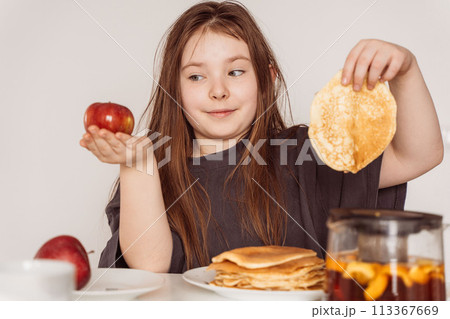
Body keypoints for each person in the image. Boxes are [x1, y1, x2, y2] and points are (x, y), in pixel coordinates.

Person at [79, 1, 443, 273]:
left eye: (235, 72)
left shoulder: (305, 154)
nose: (218, 91)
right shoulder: (151, 172)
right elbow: (150, 269)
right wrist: (137, 164)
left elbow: (419, 155)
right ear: (173, 88)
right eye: (196, 77)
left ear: (266, 78)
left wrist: (406, 72)